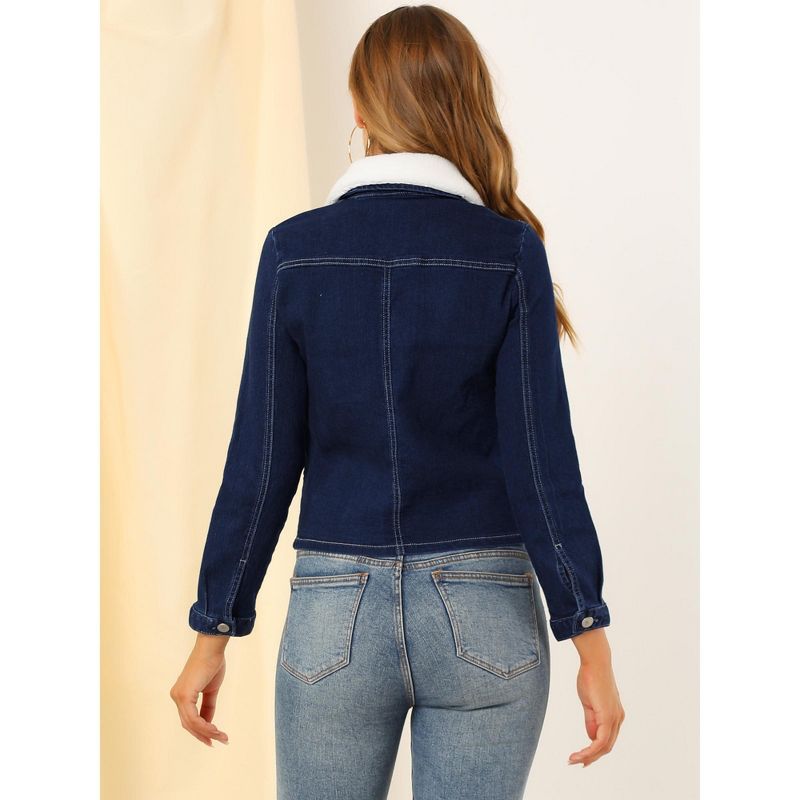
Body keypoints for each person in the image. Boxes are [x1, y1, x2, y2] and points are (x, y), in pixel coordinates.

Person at [171, 5, 624, 798]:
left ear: (359, 108)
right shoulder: (508, 250)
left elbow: (262, 461)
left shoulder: (295, 251)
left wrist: (214, 627)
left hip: (334, 613)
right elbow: (542, 464)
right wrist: (589, 636)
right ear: (467, 102)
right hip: (485, 609)